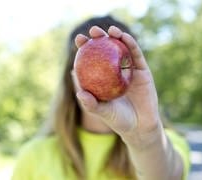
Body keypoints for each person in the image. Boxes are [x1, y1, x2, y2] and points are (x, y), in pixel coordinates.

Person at [12, 15, 190, 180]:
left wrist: (145, 140)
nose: (102, 71)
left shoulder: (164, 144)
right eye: (89, 65)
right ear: (72, 76)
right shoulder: (33, 156)